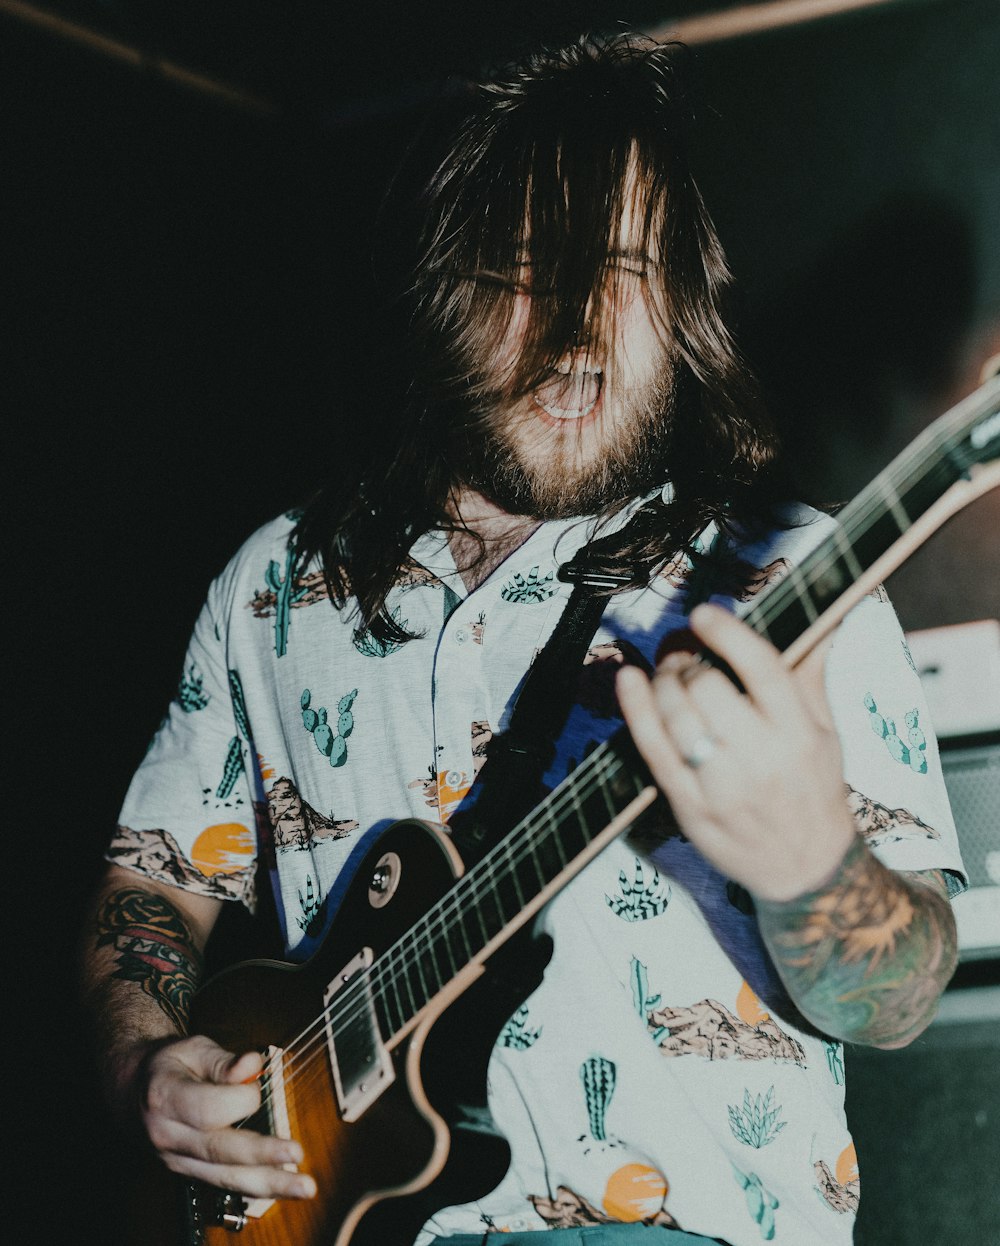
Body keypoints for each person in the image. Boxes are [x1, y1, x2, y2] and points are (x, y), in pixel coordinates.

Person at [80, 34, 965, 1246]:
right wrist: (146, 1073)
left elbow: (902, 990)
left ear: (687, 301)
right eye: (518, 271)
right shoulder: (275, 587)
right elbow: (152, 879)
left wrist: (815, 867)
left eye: (618, 265)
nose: (573, 328)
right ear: (444, 293)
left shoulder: (776, 579)